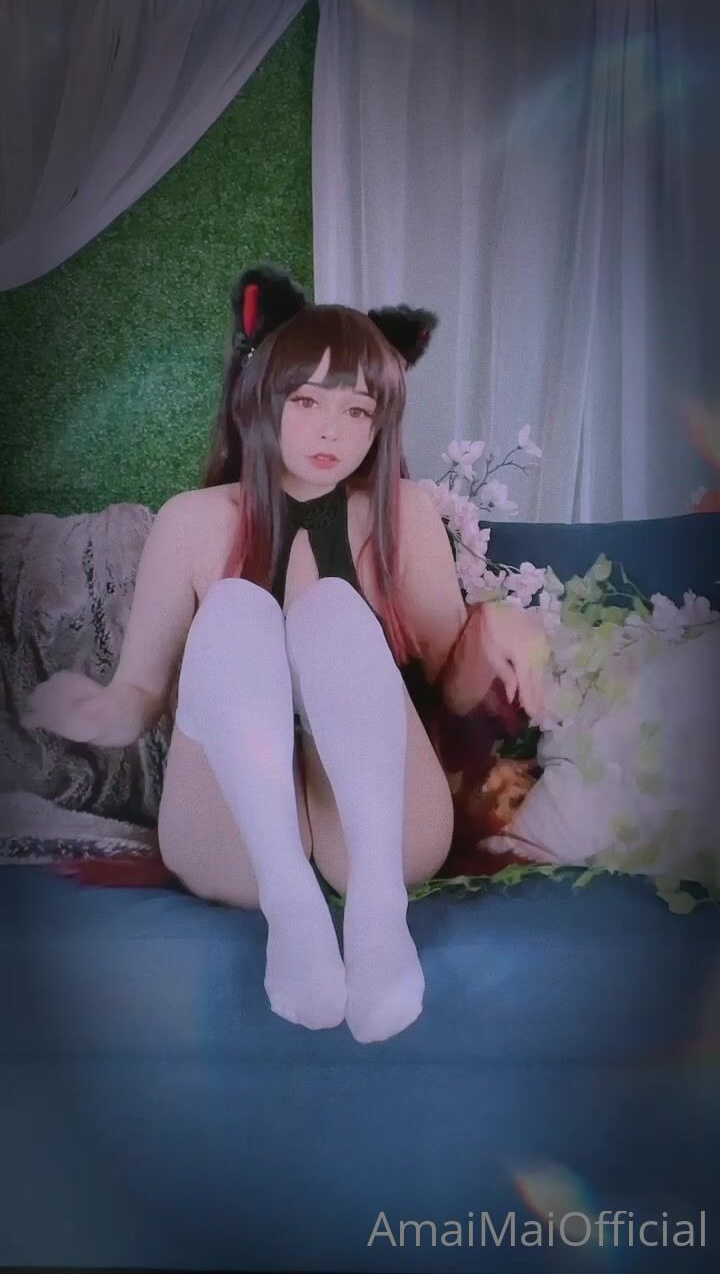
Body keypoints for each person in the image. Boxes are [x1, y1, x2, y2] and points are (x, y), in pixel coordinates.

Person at [21, 264, 547, 1044]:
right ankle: (292, 909)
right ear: (260, 402)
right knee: (238, 609)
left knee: (331, 608)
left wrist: (500, 629)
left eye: (356, 409)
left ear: (379, 423)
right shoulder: (193, 520)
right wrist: (95, 712)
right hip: (237, 838)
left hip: (378, 830)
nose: (332, 431)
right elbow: (139, 695)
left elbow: (451, 684)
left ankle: (377, 915)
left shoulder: (403, 513)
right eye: (306, 401)